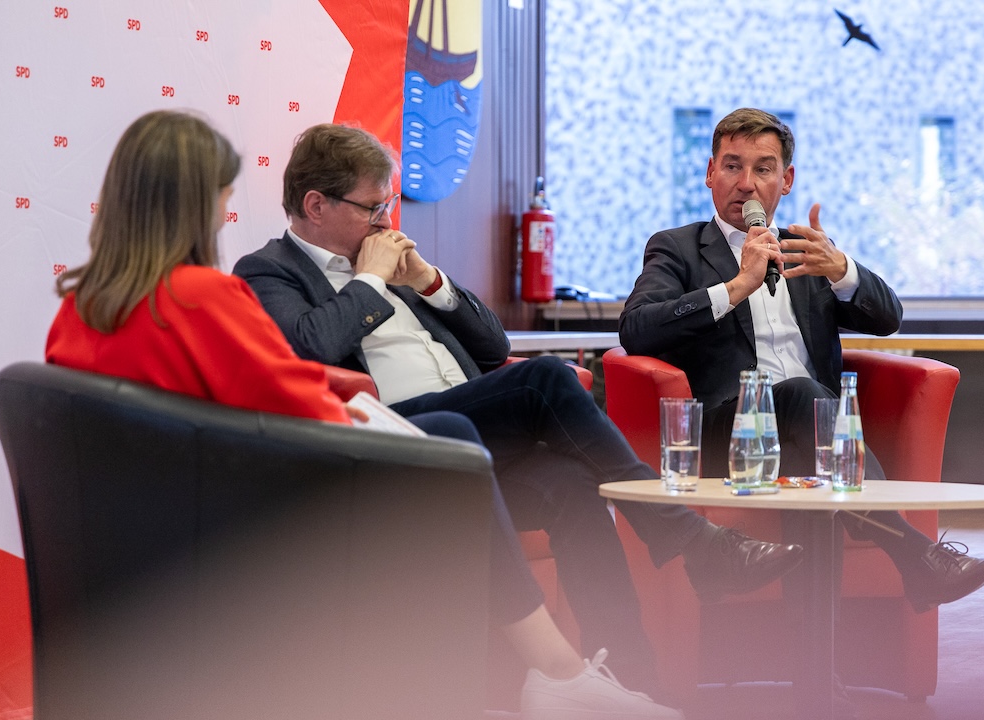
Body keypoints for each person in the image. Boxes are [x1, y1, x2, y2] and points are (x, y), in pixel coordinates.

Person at [44, 110, 683, 720]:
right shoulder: (220, 288)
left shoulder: (79, 309)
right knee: (464, 432)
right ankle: (569, 660)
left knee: (556, 478)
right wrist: (372, 313)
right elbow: (293, 391)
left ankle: (609, 680)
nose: (224, 210)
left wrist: (425, 281)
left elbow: (486, 347)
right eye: (220, 195)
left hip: (170, 521)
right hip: (281, 499)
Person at [231, 123, 805, 697]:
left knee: (571, 482)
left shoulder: (390, 263)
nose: (386, 221)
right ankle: (691, 541)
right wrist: (371, 279)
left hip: (467, 434)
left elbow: (494, 348)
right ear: (316, 205)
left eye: (390, 204)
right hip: (390, 442)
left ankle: (631, 683)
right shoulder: (269, 270)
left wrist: (429, 282)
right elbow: (307, 348)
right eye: (373, 207)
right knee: (545, 379)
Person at [618, 107, 984, 617]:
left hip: (811, 435)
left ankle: (817, 686)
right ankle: (917, 558)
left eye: (763, 168)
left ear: (787, 179)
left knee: (814, 460)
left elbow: (889, 317)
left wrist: (844, 271)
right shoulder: (678, 249)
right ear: (710, 172)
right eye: (732, 166)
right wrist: (735, 288)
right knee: (806, 400)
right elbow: (636, 328)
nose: (747, 184)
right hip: (726, 435)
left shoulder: (807, 253)